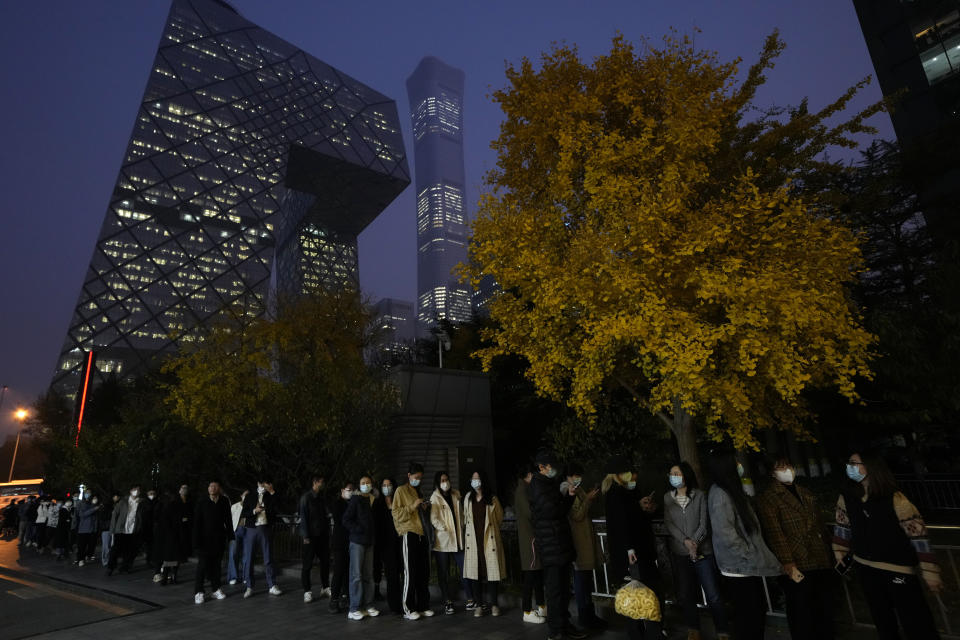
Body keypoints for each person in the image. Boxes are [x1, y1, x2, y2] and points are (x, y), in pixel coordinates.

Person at [833, 451, 942, 640]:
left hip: (898, 569)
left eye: (854, 463)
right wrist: (839, 551)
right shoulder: (848, 497)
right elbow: (842, 526)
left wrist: (930, 571)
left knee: (916, 622)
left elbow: (919, 537)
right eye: (849, 463)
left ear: (871, 467)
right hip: (865, 567)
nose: (850, 467)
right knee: (883, 621)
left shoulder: (896, 499)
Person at [755, 456, 834, 640]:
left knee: (823, 607)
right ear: (771, 473)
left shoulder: (805, 492)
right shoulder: (768, 498)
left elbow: (819, 524)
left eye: (788, 466)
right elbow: (775, 533)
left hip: (819, 556)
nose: (787, 470)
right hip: (796, 561)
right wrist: (788, 562)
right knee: (801, 610)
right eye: (781, 467)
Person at [707, 451, 781, 640]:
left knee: (754, 614)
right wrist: (749, 553)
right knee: (750, 617)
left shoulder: (731, 490)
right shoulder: (720, 494)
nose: (739, 464)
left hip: (745, 565)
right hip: (739, 566)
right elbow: (726, 534)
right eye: (735, 462)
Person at [663, 462, 728, 640]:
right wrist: (685, 542)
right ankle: (693, 629)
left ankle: (722, 630)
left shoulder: (700, 495)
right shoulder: (668, 498)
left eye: (676, 473)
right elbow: (669, 523)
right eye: (671, 473)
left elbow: (704, 524)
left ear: (686, 475)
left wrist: (695, 543)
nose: (673, 476)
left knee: (713, 594)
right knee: (686, 593)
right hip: (681, 553)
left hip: (702, 553)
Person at [603, 456, 662, 640]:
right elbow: (621, 524)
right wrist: (629, 549)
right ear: (617, 474)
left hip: (636, 550)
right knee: (642, 591)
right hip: (633, 553)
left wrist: (644, 508)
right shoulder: (615, 493)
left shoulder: (625, 492)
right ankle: (649, 632)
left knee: (638, 592)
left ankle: (644, 632)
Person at [530, 449, 586, 640]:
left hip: (559, 545)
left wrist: (568, 497)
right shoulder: (538, 486)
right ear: (541, 468)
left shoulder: (549, 484)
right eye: (550, 466)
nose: (554, 469)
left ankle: (564, 624)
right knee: (555, 592)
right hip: (551, 547)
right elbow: (555, 511)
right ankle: (556, 631)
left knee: (563, 590)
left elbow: (558, 510)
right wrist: (569, 498)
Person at [566, 463, 606, 630]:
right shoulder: (568, 491)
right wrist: (588, 500)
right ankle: (585, 616)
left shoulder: (579, 489)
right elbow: (577, 515)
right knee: (581, 582)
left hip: (585, 540)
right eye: (575, 475)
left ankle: (589, 615)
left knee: (586, 581)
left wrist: (589, 497)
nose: (578, 479)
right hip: (578, 543)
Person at [392, 461, 433, 620]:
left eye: (420, 478)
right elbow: (396, 514)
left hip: (422, 534)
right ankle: (408, 608)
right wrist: (412, 506)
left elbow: (419, 512)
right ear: (409, 475)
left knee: (423, 572)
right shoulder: (400, 491)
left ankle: (423, 606)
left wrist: (423, 506)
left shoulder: (419, 491)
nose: (418, 480)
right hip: (408, 533)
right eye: (416, 477)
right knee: (410, 572)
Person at [463, 469, 505, 617]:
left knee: (492, 574)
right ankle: (479, 605)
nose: (475, 481)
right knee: (476, 574)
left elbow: (499, 517)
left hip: (489, 540)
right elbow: (465, 518)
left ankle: (494, 605)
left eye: (478, 478)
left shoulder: (492, 498)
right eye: (473, 479)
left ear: (483, 480)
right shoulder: (468, 498)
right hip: (473, 541)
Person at [430, 469, 471, 615]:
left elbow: (461, 513)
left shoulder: (456, 494)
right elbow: (433, 518)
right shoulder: (435, 497)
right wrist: (445, 528)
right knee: (443, 573)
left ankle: (470, 598)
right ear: (437, 482)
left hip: (458, 539)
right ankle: (447, 601)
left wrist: (462, 526)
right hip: (443, 541)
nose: (445, 483)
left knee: (464, 569)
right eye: (442, 480)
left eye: (446, 479)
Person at [343, 475, 380, 620]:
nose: (366, 485)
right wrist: (358, 529)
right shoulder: (356, 499)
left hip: (369, 542)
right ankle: (354, 608)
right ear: (359, 485)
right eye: (363, 483)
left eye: (368, 482)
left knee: (368, 576)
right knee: (356, 576)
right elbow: (346, 519)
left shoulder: (373, 500)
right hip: (357, 542)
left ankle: (368, 605)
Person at [193, 481, 234, 604]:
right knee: (203, 565)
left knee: (217, 566)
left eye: (215, 486)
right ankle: (199, 592)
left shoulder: (224, 501)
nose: (212, 488)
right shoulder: (202, 502)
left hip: (219, 539)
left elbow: (228, 519)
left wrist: (231, 536)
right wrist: (195, 541)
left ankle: (216, 589)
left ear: (219, 488)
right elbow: (197, 522)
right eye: (210, 486)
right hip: (204, 540)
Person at [514, 465, 545, 624]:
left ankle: (541, 606)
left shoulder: (525, 489)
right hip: (529, 540)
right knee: (531, 575)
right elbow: (530, 513)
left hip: (532, 538)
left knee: (537, 574)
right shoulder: (522, 491)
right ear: (529, 474)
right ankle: (526, 610)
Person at [241, 477, 282, 598]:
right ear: (258, 483)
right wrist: (254, 510)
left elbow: (278, 507)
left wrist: (272, 492)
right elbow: (244, 513)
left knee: (268, 557)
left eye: (266, 483)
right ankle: (249, 586)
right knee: (249, 559)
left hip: (265, 529)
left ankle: (272, 585)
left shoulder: (270, 496)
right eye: (262, 483)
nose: (264, 485)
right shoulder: (250, 496)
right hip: (251, 529)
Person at [299, 474, 331, 603]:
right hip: (311, 537)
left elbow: (325, 516)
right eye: (321, 482)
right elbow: (304, 518)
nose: (323, 484)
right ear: (315, 482)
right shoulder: (306, 498)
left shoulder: (321, 498)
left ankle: (325, 586)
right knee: (307, 565)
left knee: (325, 563)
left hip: (322, 536)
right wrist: (306, 536)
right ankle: (307, 591)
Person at [373, 477, 403, 615]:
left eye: (389, 484)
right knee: (392, 575)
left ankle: (405, 600)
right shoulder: (377, 504)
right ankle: (395, 605)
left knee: (402, 572)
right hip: (385, 545)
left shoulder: (399, 502)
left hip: (400, 542)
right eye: (384, 485)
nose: (386, 487)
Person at [108, 485, 144, 575]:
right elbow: (115, 514)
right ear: (131, 490)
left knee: (130, 551)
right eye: (134, 489)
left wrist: (139, 528)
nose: (136, 491)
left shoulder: (141, 502)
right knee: (115, 550)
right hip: (120, 530)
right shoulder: (123, 501)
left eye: (138, 490)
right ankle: (111, 567)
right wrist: (112, 529)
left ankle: (125, 567)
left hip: (133, 531)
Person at [329, 481, 354, 613]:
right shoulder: (337, 503)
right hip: (339, 542)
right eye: (348, 489)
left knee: (348, 571)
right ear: (342, 490)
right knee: (338, 570)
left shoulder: (353, 503)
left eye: (352, 489)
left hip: (351, 541)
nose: (350, 491)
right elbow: (341, 520)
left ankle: (346, 595)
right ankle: (334, 599)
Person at [227, 489, 248, 586]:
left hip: (247, 531)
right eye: (245, 495)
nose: (246, 497)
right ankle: (233, 576)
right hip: (236, 530)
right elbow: (229, 520)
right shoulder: (235, 506)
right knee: (233, 554)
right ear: (241, 495)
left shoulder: (251, 506)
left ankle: (245, 576)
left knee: (246, 555)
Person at [75, 494, 101, 566]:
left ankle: (87, 556)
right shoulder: (85, 505)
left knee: (91, 546)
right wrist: (93, 509)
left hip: (92, 530)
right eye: (94, 498)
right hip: (83, 530)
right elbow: (82, 515)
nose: (95, 499)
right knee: (82, 546)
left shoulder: (97, 507)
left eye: (96, 498)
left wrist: (96, 529)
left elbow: (96, 520)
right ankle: (80, 559)